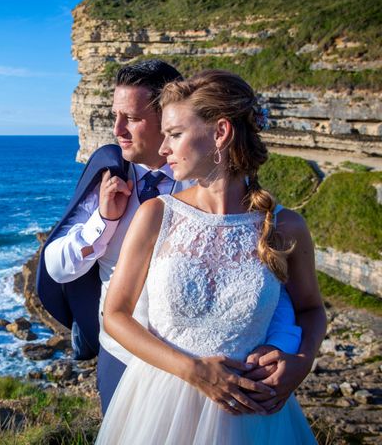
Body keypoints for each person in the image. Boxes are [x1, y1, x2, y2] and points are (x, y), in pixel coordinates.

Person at [36, 60, 303, 414]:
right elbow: (56, 267)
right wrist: (101, 222)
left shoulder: (211, 177)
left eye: (131, 117)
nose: (118, 129)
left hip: (226, 368)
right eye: (115, 115)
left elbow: (268, 280)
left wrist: (287, 349)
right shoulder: (107, 173)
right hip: (124, 355)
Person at [96, 70, 327, 444]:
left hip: (254, 416)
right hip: (160, 408)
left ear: (220, 133)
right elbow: (116, 316)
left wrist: (299, 364)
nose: (163, 149)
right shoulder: (156, 215)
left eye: (174, 134)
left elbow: (311, 310)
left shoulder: (286, 226)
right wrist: (194, 371)